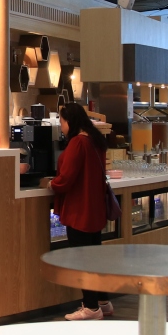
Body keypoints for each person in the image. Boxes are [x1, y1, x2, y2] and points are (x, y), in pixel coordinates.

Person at [50, 103, 112, 321]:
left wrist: (51, 184)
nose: (61, 126)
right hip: (95, 208)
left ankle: (91, 308)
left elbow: (66, 179)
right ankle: (103, 302)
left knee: (83, 259)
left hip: (80, 209)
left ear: (70, 121)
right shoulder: (95, 139)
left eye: (62, 121)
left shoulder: (78, 142)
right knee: (94, 258)